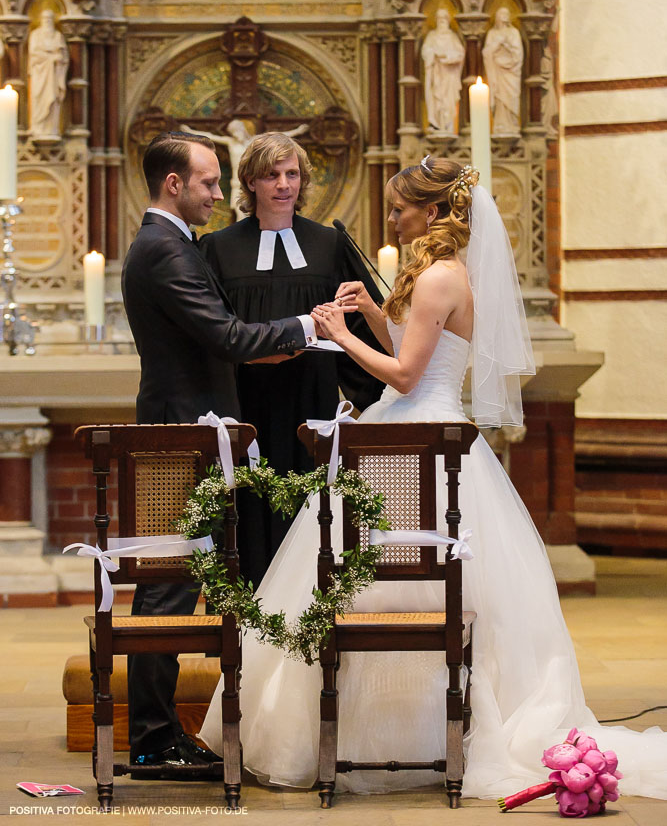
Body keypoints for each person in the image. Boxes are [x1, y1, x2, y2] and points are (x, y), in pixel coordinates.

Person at [199, 157, 667, 800]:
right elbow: (410, 342)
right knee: (371, 582)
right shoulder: (440, 274)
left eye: (400, 208)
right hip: (413, 431)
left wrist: (337, 331)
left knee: (371, 580)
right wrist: (367, 308)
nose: (392, 218)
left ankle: (386, 736)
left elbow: (405, 374)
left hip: (415, 432)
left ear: (436, 212)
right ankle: (402, 734)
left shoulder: (442, 277)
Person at [121, 129, 319, 771]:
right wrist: (308, 326)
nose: (217, 194)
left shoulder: (170, 243)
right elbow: (226, 335)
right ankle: (153, 739)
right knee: (170, 583)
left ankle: (162, 733)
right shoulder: (165, 249)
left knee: (180, 578)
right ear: (174, 184)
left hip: (191, 429)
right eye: (209, 182)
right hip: (184, 434)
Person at [200, 131, 384, 586]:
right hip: (245, 401)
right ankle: (247, 628)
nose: (283, 185)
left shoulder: (329, 243)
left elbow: (360, 325)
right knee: (245, 509)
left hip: (312, 398)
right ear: (250, 183)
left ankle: (308, 614)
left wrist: (372, 395)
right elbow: (209, 330)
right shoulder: (218, 248)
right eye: (271, 175)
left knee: (311, 508)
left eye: (292, 174)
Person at [180, 119, 307, 221]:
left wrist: (298, 131)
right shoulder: (230, 142)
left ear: (242, 130)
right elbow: (210, 137)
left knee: (249, 210)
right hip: (236, 183)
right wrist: (189, 131)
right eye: (233, 132)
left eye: (236, 131)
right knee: (238, 210)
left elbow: (279, 136)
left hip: (252, 181)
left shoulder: (254, 141)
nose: (235, 135)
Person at [421, 8, 465, 133]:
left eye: (444, 18)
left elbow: (460, 53)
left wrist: (447, 57)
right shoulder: (431, 36)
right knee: (437, 99)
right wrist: (433, 54)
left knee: (449, 101)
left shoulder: (452, 37)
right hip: (437, 74)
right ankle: (437, 124)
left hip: (449, 74)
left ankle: (448, 126)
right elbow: (426, 51)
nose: (441, 21)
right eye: (439, 19)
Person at [482, 6, 524, 135]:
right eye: (501, 14)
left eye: (506, 14)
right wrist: (496, 45)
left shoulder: (514, 32)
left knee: (511, 97)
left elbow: (518, 53)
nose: (503, 16)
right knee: (499, 97)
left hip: (511, 71)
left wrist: (508, 50)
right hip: (497, 71)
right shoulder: (492, 34)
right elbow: (486, 53)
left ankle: (512, 123)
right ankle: (500, 124)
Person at [28, 9, 68, 138]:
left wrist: (58, 59)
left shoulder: (58, 36)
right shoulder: (35, 35)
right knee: (38, 99)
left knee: (53, 100)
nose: (47, 21)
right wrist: (50, 58)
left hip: (53, 74)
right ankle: (38, 127)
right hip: (39, 74)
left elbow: (63, 56)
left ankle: (52, 128)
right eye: (45, 19)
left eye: (50, 19)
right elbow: (33, 54)